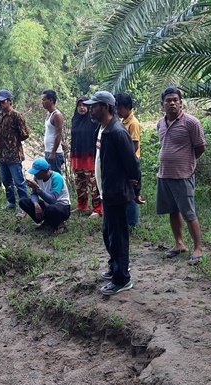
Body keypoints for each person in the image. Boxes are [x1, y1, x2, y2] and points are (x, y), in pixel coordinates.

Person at [84, 91, 142, 296]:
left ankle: (122, 279)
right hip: (106, 191)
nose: (91, 109)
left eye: (95, 106)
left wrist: (136, 190)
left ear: (106, 107)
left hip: (117, 193)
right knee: (108, 233)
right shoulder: (101, 129)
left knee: (118, 236)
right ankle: (114, 267)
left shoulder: (117, 132)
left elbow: (133, 164)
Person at [156, 86, 206, 262]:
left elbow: (200, 147)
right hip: (164, 174)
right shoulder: (160, 123)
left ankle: (198, 248)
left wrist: (187, 162)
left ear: (180, 103)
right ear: (162, 104)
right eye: (168, 100)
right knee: (172, 210)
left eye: (175, 100)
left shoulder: (191, 122)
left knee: (188, 212)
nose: (172, 103)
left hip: (183, 174)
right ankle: (179, 243)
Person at [0, 89, 30, 216]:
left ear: (9, 101)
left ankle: (25, 207)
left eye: (3, 101)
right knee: (6, 181)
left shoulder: (16, 116)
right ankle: (11, 203)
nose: (1, 104)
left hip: (14, 155)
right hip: (2, 155)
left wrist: (13, 140)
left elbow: (25, 134)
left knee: (19, 182)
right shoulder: (0, 116)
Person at [19, 158, 71, 234]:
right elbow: (34, 194)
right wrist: (36, 205)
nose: (35, 175)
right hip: (48, 205)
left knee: (51, 208)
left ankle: (59, 223)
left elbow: (52, 200)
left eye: (37, 173)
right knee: (23, 202)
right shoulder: (37, 178)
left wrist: (38, 188)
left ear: (45, 171)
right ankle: (46, 221)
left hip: (62, 207)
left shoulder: (56, 178)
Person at [70, 96, 102, 217]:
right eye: (79, 105)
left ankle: (98, 209)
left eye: (84, 105)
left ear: (89, 107)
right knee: (79, 182)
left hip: (90, 157)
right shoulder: (75, 119)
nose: (82, 108)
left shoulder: (93, 121)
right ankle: (82, 205)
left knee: (93, 183)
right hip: (77, 156)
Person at [115, 93, 144, 228]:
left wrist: (128, 164)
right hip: (124, 162)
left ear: (127, 108)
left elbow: (134, 145)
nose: (117, 111)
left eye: (120, 109)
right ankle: (125, 221)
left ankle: (131, 223)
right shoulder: (123, 121)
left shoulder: (133, 123)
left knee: (130, 193)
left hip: (130, 163)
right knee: (125, 191)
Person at [41, 90, 65, 174]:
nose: (42, 102)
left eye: (44, 100)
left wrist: (53, 152)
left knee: (55, 177)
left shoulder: (57, 115)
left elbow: (59, 133)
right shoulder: (49, 114)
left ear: (51, 100)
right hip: (48, 151)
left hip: (54, 152)